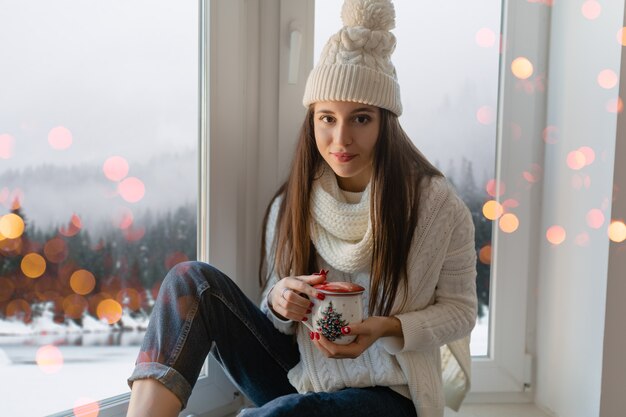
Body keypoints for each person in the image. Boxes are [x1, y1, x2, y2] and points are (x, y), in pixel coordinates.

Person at [126, 0, 477, 416]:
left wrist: (386, 327)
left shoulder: (436, 206)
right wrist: (279, 298)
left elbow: (461, 312)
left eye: (360, 119)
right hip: (300, 374)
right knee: (192, 281)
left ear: (386, 122)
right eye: (327, 118)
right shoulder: (293, 202)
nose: (340, 138)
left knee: (284, 415)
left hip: (390, 393)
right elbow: (277, 315)